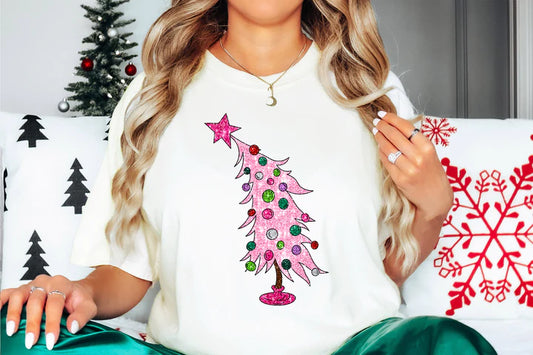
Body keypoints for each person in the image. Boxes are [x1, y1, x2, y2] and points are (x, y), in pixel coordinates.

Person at [1, 0, 497, 354]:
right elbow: (131, 269)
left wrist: (433, 207)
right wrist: (78, 292)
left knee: (449, 346)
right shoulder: (155, 92)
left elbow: (377, 269)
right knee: (14, 334)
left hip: (354, 348)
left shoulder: (369, 89)